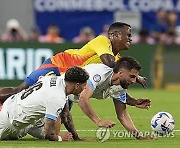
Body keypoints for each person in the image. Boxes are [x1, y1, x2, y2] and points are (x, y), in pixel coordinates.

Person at [0, 22, 146, 140]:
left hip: (70, 82)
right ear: (115, 35)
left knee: (62, 114)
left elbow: (117, 85)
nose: (130, 38)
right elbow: (108, 62)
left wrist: (132, 100)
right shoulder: (103, 41)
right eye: (128, 35)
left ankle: (46, 131)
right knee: (19, 90)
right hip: (58, 65)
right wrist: (136, 76)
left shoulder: (118, 60)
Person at [68, 56, 153, 139]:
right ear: (120, 73)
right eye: (132, 76)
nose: (134, 81)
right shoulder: (99, 74)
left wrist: (140, 136)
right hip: (59, 92)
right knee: (55, 133)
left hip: (69, 98)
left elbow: (122, 115)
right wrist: (99, 121)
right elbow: (82, 99)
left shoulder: (120, 87)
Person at [0, 66, 89, 141]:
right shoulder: (56, 97)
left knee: (48, 125)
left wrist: (76, 137)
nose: (85, 88)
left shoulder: (56, 79)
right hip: (10, 123)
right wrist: (59, 138)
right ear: (77, 85)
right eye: (84, 85)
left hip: (17, 106)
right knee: (51, 133)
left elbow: (66, 115)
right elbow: (48, 134)